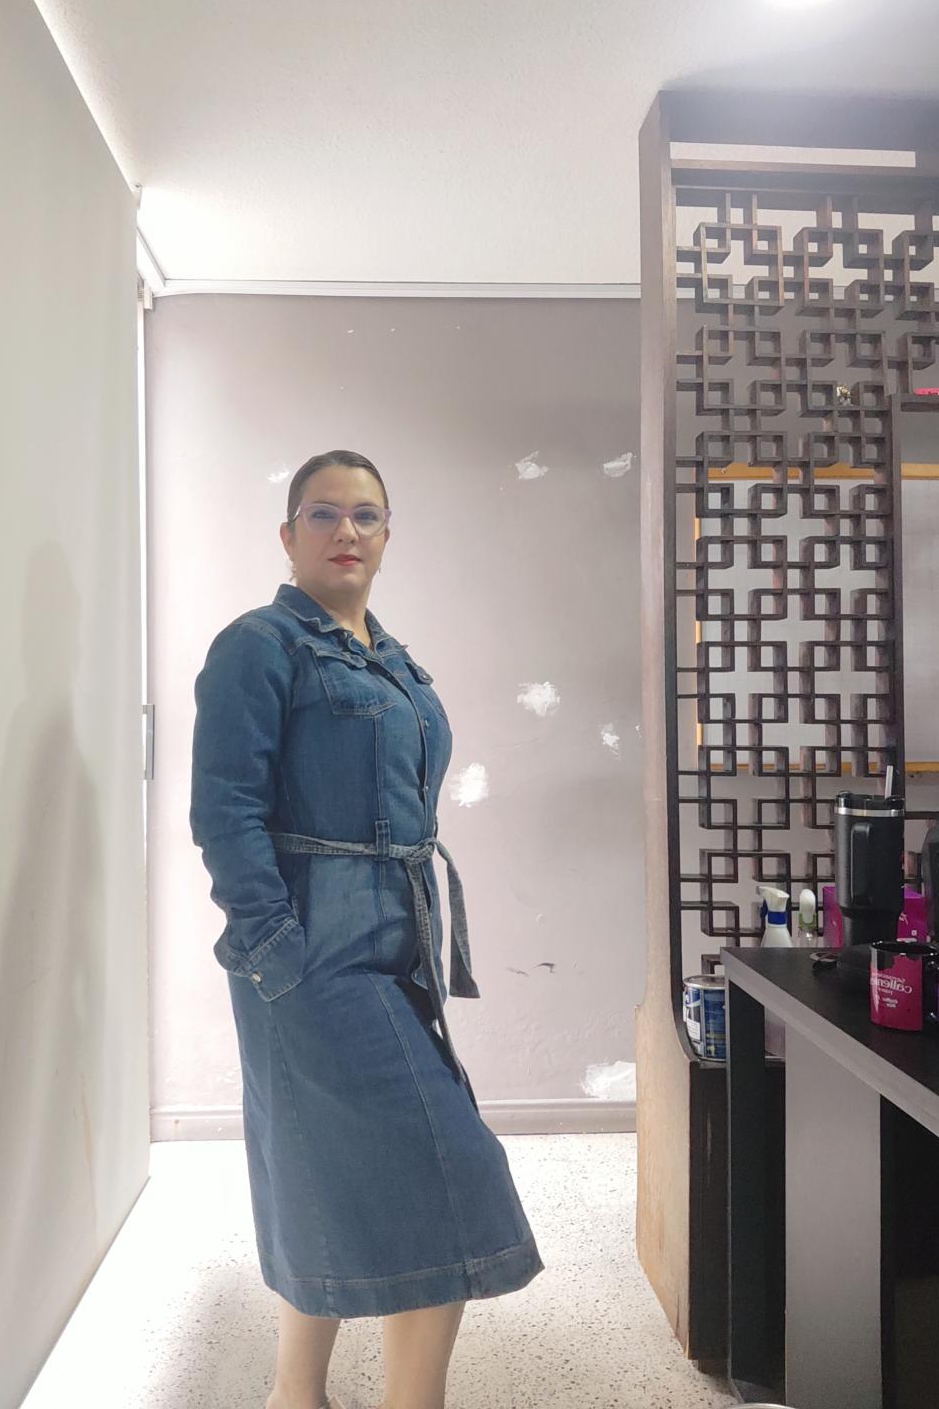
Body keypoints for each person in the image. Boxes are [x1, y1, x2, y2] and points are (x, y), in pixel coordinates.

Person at [189, 450, 545, 1409]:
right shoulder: (258, 646)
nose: (346, 531)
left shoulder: (391, 659)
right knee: (446, 1169)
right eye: (323, 513)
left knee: (328, 1165)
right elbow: (224, 810)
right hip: (312, 944)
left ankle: (293, 1394)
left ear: (387, 535)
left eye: (366, 515)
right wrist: (275, 950)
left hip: (398, 941)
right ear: (288, 534)